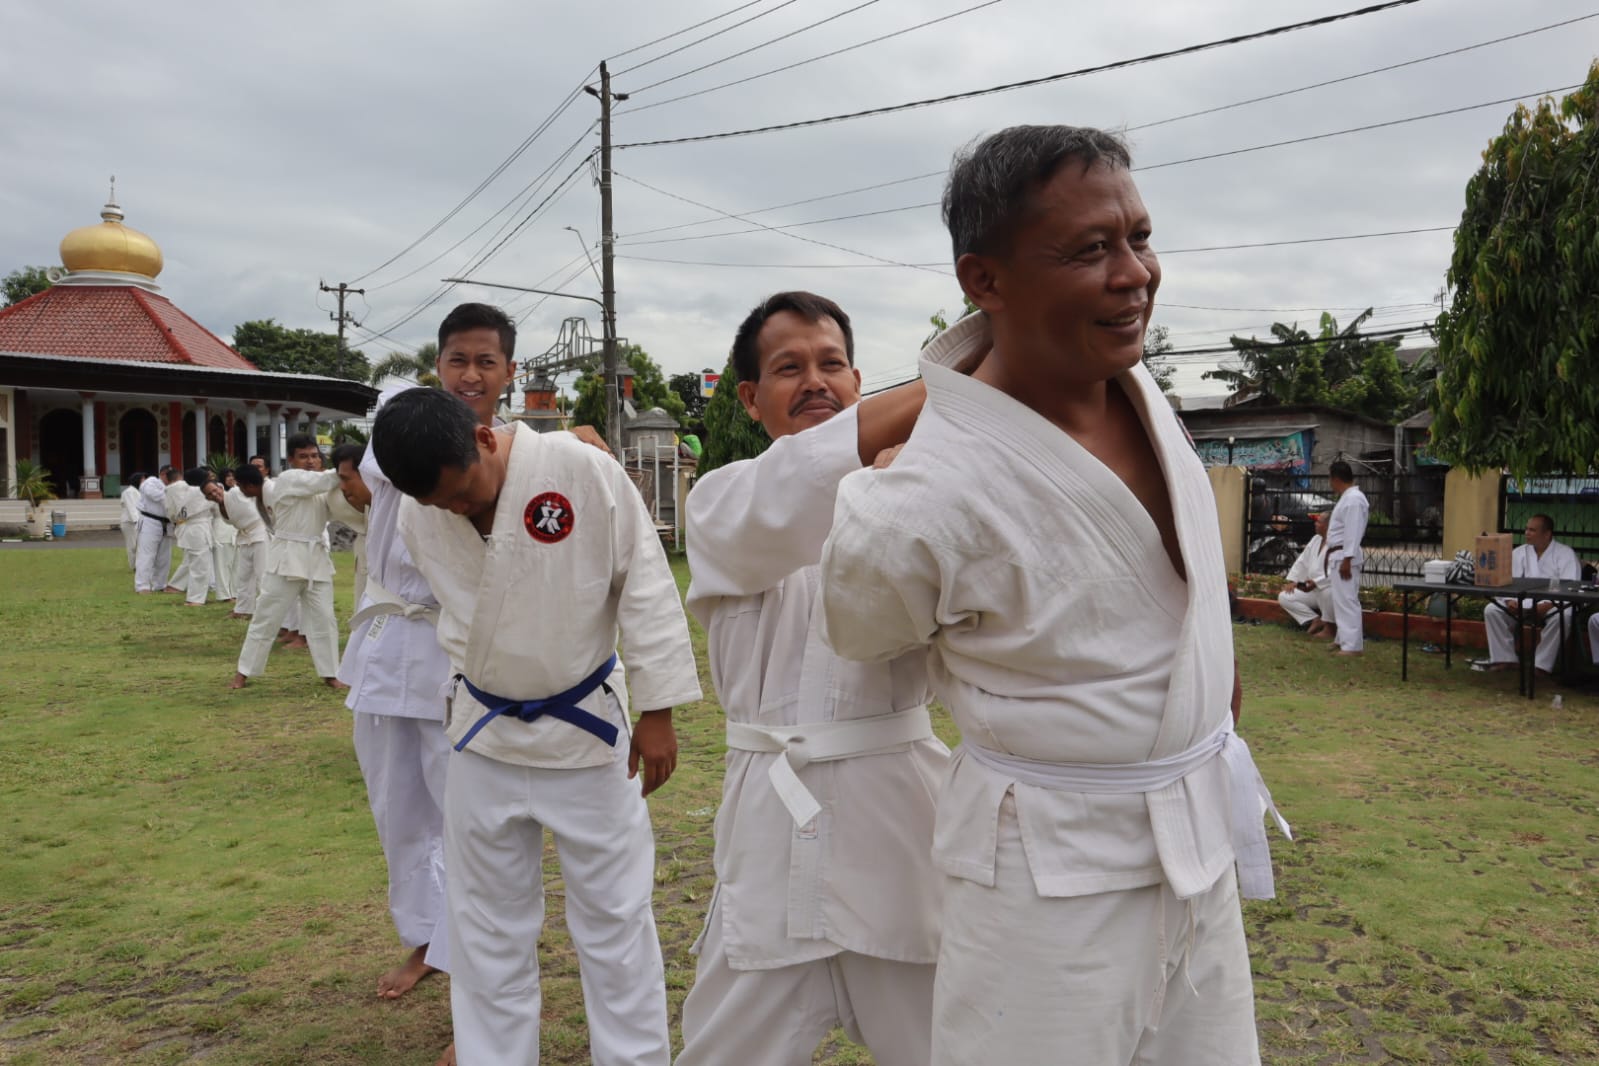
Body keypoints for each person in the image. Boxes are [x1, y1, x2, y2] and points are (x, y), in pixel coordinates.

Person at [818, 125, 1287, 1066]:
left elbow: (1176, 597)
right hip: (1043, 877)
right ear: (982, 279)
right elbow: (864, 635)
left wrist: (1207, 689)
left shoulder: (1141, 391)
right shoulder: (912, 502)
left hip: (1191, 844)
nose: (1133, 274)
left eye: (1139, 238)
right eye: (1088, 250)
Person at [372, 384, 701, 1066]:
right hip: (483, 730)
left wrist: (658, 708)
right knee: (486, 926)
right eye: (441, 504)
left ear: (486, 439)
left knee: (615, 922)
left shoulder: (580, 472)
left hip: (586, 728)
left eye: (461, 492)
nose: (456, 510)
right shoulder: (418, 511)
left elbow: (643, 585)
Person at [677, 292, 949, 1066]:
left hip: (896, 818)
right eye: (787, 368)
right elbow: (801, 485)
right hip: (769, 818)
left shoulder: (916, 493)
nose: (814, 381)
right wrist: (973, 375)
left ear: (860, 381)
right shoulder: (721, 501)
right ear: (749, 398)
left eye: (831, 364)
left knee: (949, 1043)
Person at [229, 434, 344, 690]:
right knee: (266, 616)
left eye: (314, 455)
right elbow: (329, 478)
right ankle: (243, 672)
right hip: (286, 558)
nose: (311, 461)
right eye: (303, 456)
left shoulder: (320, 489)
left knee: (325, 619)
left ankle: (331, 673)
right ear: (291, 459)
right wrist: (354, 462)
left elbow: (336, 501)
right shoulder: (289, 479)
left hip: (316, 558)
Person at [1484, 514, 1581, 676]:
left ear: (1547, 534)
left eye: (1532, 530)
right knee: (1492, 610)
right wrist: (1509, 601)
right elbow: (1506, 582)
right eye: (1526, 529)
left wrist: (1549, 604)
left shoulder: (1566, 554)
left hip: (1552, 605)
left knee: (1564, 616)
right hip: (1520, 603)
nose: (1527, 533)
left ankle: (1541, 665)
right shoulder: (1519, 553)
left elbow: (1571, 589)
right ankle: (1505, 658)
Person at [1325, 460, 1369, 656]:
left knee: (1347, 600)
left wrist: (1347, 559)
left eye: (1330, 480)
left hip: (1345, 555)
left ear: (1335, 479)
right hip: (1339, 554)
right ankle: (1343, 638)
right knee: (1340, 599)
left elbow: (1353, 531)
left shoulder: (1354, 500)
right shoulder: (1347, 498)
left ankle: (1352, 646)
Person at [222, 464, 269, 619]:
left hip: (261, 534)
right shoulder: (234, 493)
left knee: (263, 574)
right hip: (245, 536)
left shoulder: (267, 490)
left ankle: (265, 610)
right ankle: (243, 609)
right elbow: (232, 517)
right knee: (244, 576)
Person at [1278, 512, 1332, 635]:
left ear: (1328, 525)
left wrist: (1317, 582)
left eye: (1319, 522)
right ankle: (1313, 619)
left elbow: (1334, 572)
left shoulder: (1337, 543)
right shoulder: (1315, 540)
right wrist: (1294, 581)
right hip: (1312, 591)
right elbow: (1302, 561)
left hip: (1327, 591)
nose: (1315, 524)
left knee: (1328, 593)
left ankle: (1329, 627)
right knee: (1285, 596)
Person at [172, 466, 217, 607]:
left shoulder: (181, 491)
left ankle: (194, 597)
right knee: (200, 567)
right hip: (198, 529)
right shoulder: (199, 492)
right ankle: (195, 599)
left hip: (190, 528)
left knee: (195, 566)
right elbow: (215, 503)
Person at [135, 466, 177, 594]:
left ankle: (160, 584)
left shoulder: (173, 487)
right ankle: (142, 586)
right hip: (150, 521)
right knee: (146, 555)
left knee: (164, 557)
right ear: (162, 474)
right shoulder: (151, 482)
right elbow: (154, 495)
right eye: (169, 475)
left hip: (167, 524)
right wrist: (172, 492)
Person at [162, 467, 192, 593]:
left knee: (192, 556)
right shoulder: (186, 486)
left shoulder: (170, 489)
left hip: (183, 522)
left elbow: (172, 511)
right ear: (180, 476)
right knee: (192, 556)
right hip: (190, 523)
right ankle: (175, 585)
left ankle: (180, 585)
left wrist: (175, 520)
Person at [210, 470, 238, 604]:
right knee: (222, 564)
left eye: (233, 476)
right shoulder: (216, 493)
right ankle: (224, 594)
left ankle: (235, 593)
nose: (231, 479)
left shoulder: (238, 491)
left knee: (235, 565)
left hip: (236, 530)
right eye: (228, 476)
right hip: (221, 529)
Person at [120, 474, 144, 570]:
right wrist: (137, 521)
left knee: (140, 545)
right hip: (130, 522)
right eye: (142, 479)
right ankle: (133, 566)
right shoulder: (128, 492)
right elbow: (131, 508)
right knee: (132, 545)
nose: (144, 482)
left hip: (138, 521)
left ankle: (139, 565)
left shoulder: (139, 491)